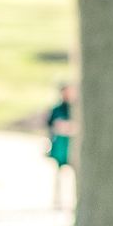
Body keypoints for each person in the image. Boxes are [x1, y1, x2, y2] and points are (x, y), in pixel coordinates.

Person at [45, 82, 75, 213]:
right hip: (60, 145)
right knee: (58, 174)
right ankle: (57, 200)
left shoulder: (74, 108)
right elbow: (52, 124)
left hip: (72, 145)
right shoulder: (57, 109)